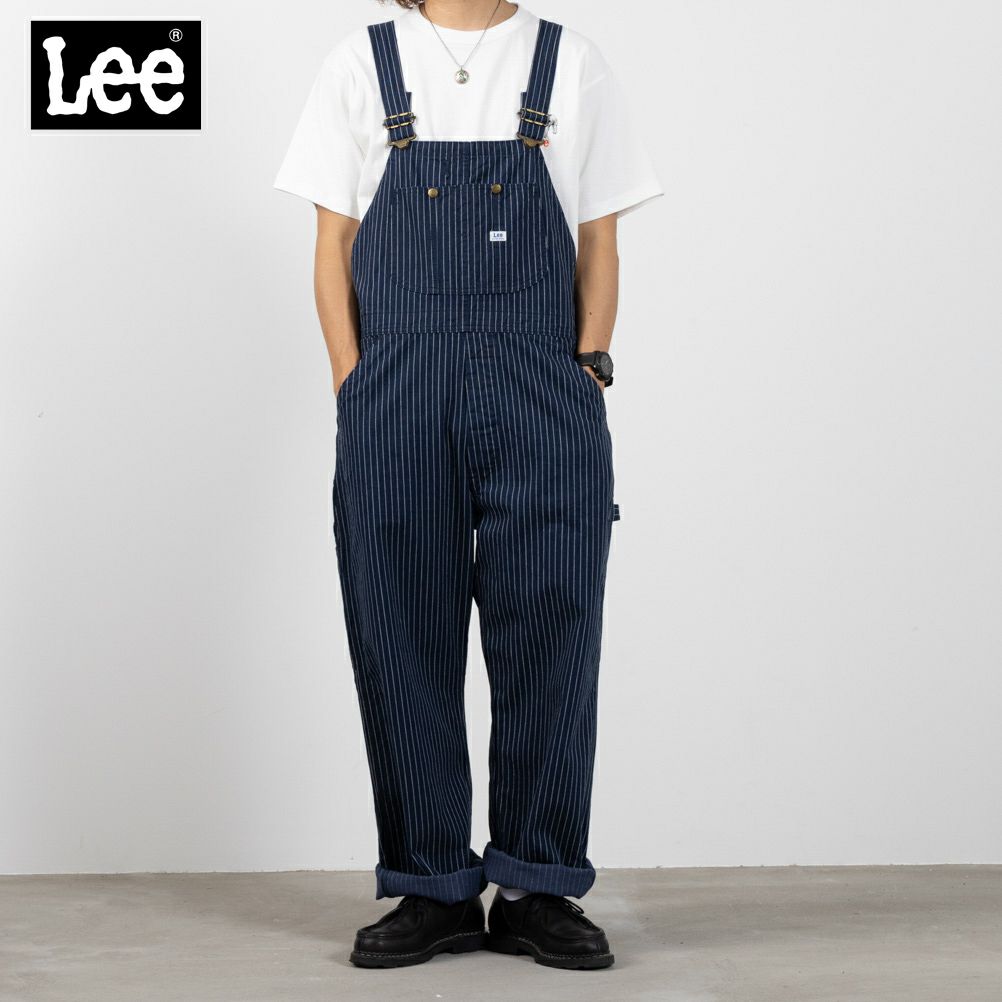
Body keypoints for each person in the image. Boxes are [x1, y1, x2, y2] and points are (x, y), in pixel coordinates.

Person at [274, 0, 662, 971]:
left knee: (553, 632)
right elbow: (332, 244)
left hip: (544, 386)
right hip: (395, 391)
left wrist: (589, 369)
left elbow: (599, 240)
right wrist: (354, 383)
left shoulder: (569, 63)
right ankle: (432, 885)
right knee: (400, 629)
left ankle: (537, 886)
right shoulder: (361, 64)